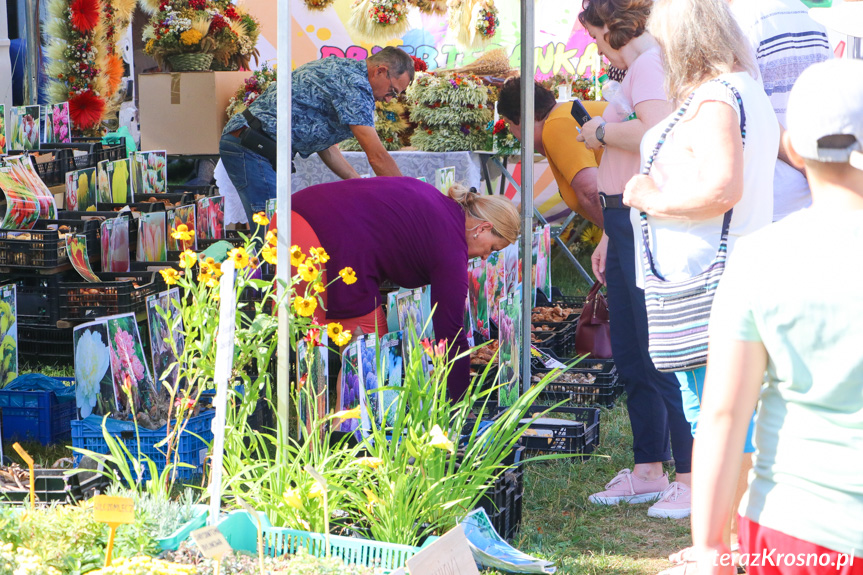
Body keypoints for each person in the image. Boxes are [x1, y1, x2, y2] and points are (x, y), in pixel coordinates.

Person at [621, 0, 777, 570]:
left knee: (716, 416)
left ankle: (724, 545)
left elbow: (721, 188)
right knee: (731, 415)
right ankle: (736, 538)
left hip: (705, 285)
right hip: (721, 275)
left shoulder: (715, 99)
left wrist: (648, 198)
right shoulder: (742, 90)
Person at [691, 58, 863, 575]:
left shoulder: (761, 257)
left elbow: (724, 413)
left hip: (794, 530)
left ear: (798, 147)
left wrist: (710, 547)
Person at [571, 0, 694, 521]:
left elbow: (654, 134)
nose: (597, 48)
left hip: (639, 217)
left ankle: (688, 476)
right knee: (631, 347)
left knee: (656, 348)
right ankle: (649, 469)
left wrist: (596, 131)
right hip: (623, 217)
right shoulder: (641, 67)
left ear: (613, 26)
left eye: (597, 37)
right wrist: (605, 233)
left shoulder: (650, 64)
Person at [290, 178, 519, 399]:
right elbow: (450, 333)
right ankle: (342, 430)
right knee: (370, 357)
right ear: (484, 228)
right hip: (320, 240)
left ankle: (316, 425)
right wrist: (461, 404)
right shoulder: (451, 247)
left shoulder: (443, 208)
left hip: (294, 215)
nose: (486, 256)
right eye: (492, 248)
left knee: (309, 343)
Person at [219, 47, 415, 226]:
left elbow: (325, 146)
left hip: (255, 144)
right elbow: (377, 155)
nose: (389, 99)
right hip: (252, 146)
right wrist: (408, 200)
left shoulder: (346, 71)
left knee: (278, 231)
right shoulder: (355, 84)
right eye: (392, 91)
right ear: (380, 71)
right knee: (272, 233)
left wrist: (357, 182)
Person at [730, 0, 832, 222]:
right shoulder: (813, 18)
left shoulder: (739, 21)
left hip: (765, 194)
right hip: (812, 189)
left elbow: (749, 108)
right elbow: (827, 102)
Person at [496, 77, 606, 226]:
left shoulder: (555, 125)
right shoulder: (562, 115)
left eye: (509, 124)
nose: (512, 132)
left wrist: (611, 236)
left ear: (524, 119)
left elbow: (591, 192)